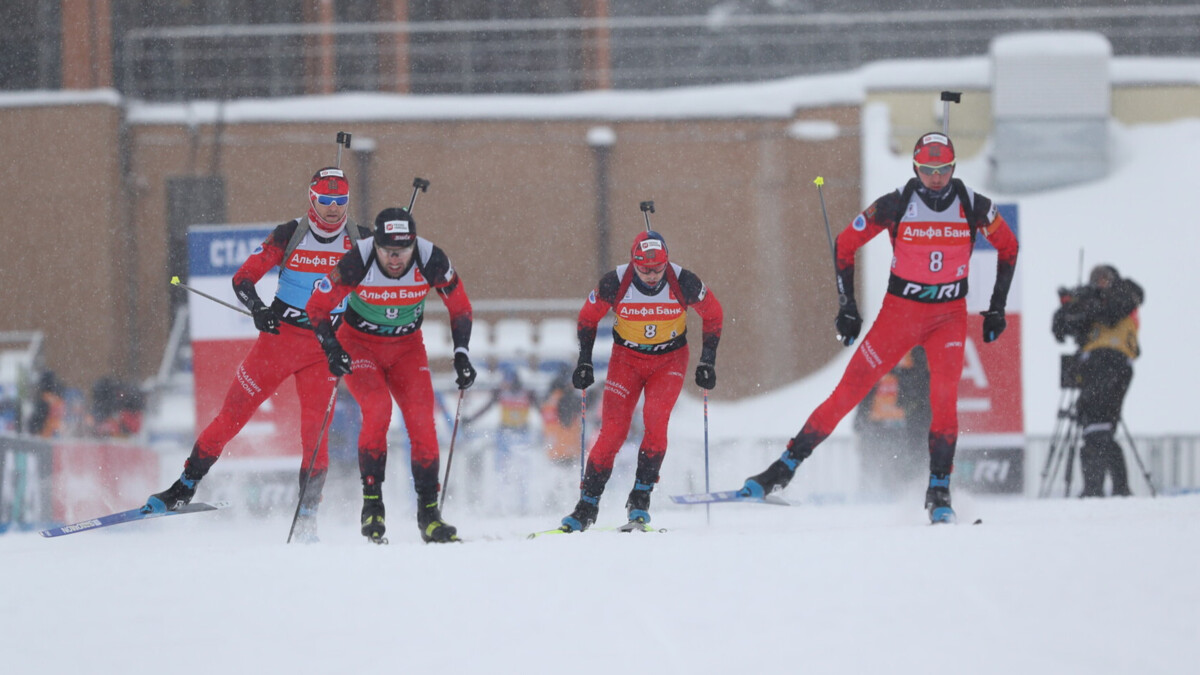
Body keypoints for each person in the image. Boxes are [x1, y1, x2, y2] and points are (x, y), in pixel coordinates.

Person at [739, 132, 1019, 524]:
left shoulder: (973, 205)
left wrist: (996, 308)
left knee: (943, 398)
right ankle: (782, 470)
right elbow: (845, 243)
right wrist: (848, 307)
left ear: (954, 168)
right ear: (915, 169)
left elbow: (1009, 247)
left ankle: (939, 490)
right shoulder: (897, 203)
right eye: (927, 170)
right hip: (899, 316)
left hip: (947, 318)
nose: (935, 178)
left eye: (942, 171)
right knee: (848, 392)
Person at [145, 167, 367, 543]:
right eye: (324, 201)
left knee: (316, 435)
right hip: (278, 341)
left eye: (340, 201)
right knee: (231, 417)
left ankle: (307, 517)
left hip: (323, 347)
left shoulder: (362, 240)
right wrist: (258, 309)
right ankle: (183, 487)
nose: (332, 209)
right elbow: (242, 279)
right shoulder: (290, 234)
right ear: (311, 199)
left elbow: (388, 281)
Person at [305, 206, 477, 544]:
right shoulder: (358, 260)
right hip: (359, 347)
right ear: (376, 245)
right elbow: (317, 307)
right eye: (387, 251)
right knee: (378, 410)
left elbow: (460, 307)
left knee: (422, 422)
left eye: (402, 251)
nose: (395, 259)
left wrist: (461, 353)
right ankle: (372, 504)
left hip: (407, 350)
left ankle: (429, 514)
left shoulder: (431, 258)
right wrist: (332, 348)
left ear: (414, 244)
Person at [559, 229, 724, 531]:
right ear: (633, 262)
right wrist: (584, 360)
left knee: (655, 418)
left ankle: (640, 498)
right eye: (644, 269)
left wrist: (707, 361)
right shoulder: (615, 281)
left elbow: (713, 314)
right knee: (612, 432)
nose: (650, 275)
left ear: (667, 262)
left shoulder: (684, 281)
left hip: (669, 361)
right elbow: (587, 318)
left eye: (657, 268)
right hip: (626, 361)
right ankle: (587, 505)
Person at [1052, 264, 1143, 497]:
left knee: (1097, 423)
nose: (1099, 283)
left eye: (1104, 278)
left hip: (1112, 362)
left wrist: (1086, 302)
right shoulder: (1091, 302)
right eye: (1096, 280)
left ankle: (1096, 488)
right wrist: (1069, 306)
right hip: (1092, 365)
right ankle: (1117, 488)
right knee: (1099, 427)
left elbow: (1113, 313)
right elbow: (1062, 330)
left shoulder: (1124, 292)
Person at [853, 347, 931, 499]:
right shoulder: (877, 356)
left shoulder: (918, 355)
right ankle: (875, 498)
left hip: (907, 425)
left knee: (908, 472)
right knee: (876, 471)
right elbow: (865, 392)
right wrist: (859, 424)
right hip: (877, 425)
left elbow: (923, 388)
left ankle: (909, 499)